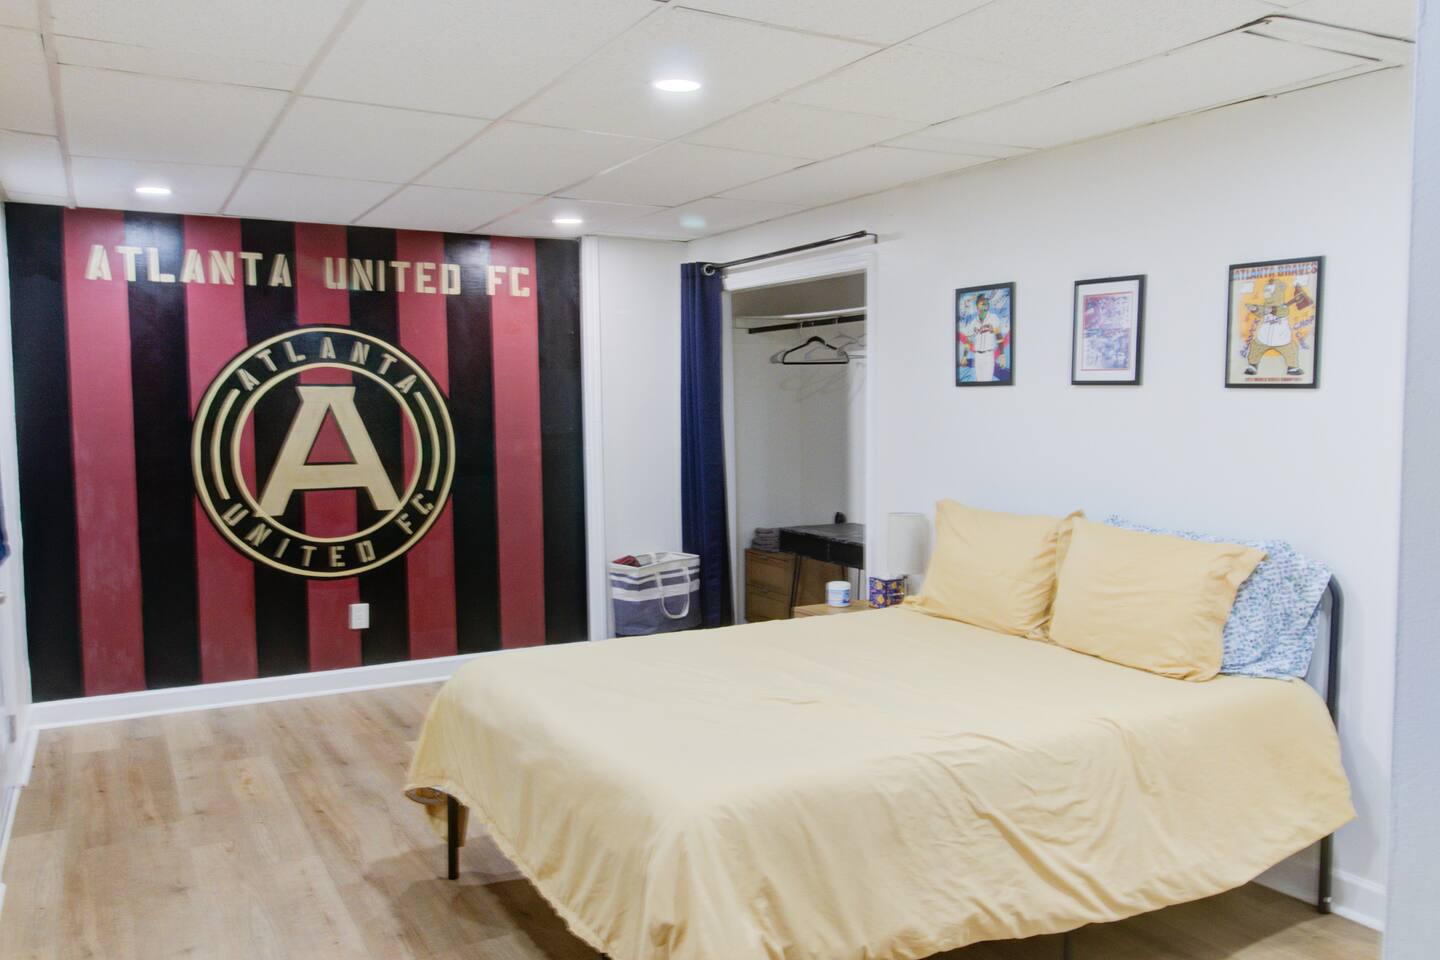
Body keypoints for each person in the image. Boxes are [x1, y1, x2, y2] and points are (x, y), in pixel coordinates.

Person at [958, 293, 1009, 382]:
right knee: (979, 382)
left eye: (986, 302)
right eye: (982, 302)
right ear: (977, 305)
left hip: (988, 354)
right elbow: (968, 341)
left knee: (987, 381)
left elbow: (999, 337)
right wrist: (965, 356)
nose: (985, 303)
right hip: (977, 356)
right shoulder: (974, 322)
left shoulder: (993, 318)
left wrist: (1002, 355)